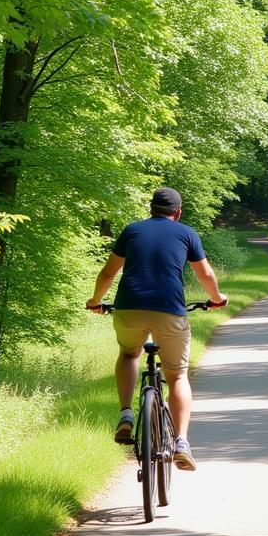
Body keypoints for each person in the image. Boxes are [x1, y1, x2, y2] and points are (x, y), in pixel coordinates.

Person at [86, 187, 227, 470]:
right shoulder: (187, 233)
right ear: (178, 212)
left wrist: (96, 301)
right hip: (169, 312)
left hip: (129, 309)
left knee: (129, 355)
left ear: (151, 209)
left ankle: (126, 413)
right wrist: (216, 299)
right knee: (177, 376)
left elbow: (108, 272)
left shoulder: (132, 230)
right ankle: (182, 442)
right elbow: (206, 274)